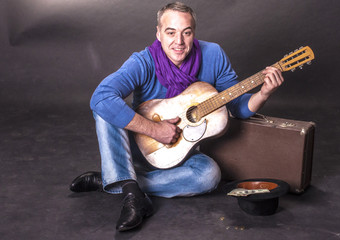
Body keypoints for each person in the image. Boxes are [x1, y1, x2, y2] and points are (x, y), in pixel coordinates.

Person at [70, 1, 284, 232]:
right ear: (159, 34)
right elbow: (100, 97)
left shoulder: (213, 55)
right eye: (170, 32)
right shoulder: (143, 61)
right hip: (138, 147)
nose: (179, 42)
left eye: (186, 33)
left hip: (181, 154)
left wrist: (263, 93)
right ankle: (133, 197)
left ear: (194, 33)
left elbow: (236, 107)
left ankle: (116, 181)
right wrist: (155, 130)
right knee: (105, 109)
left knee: (209, 175)